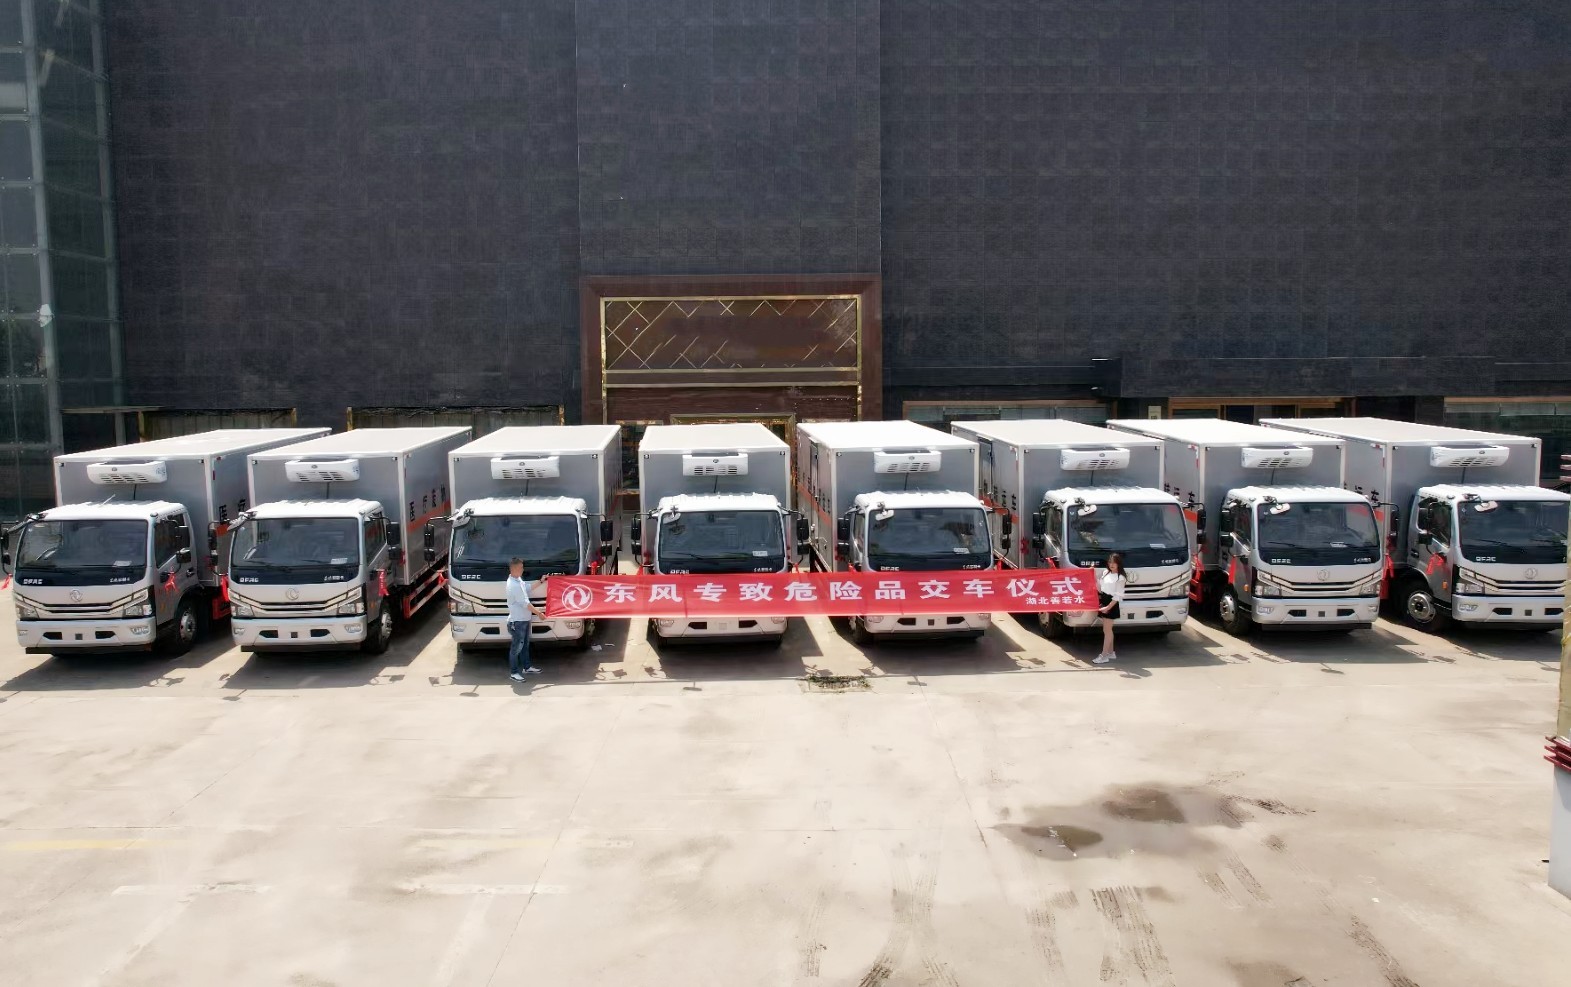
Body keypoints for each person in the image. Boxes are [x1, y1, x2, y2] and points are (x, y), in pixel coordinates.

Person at [505, 557, 545, 681]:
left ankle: (527, 667)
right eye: (521, 567)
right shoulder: (513, 585)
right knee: (516, 648)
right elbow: (526, 603)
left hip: (524, 620)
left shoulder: (518, 580)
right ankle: (514, 673)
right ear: (514, 568)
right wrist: (539, 613)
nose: (523, 569)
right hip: (517, 622)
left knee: (524, 645)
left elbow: (527, 588)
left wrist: (541, 581)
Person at [1093, 552, 1128, 665]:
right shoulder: (1105, 572)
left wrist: (1108, 607)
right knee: (1107, 630)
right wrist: (1093, 575)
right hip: (1104, 600)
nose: (1111, 564)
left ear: (1119, 564)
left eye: (1114, 563)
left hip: (1111, 603)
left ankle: (1104, 655)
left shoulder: (1120, 578)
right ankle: (1111, 653)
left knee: (1107, 630)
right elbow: (1100, 588)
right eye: (1110, 562)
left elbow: (1118, 596)